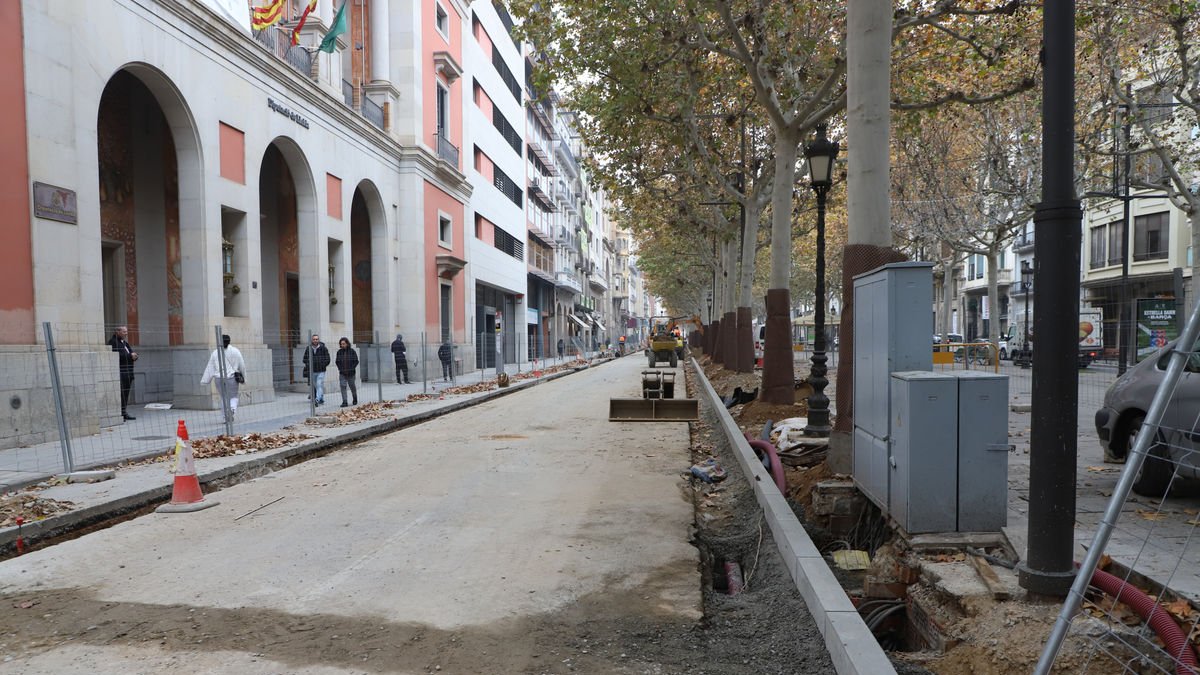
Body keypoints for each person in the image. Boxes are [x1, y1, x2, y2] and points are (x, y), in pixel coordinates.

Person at [200, 334, 246, 421]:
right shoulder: (236, 351)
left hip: (219, 378)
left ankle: (225, 417)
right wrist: (244, 378)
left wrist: (205, 380)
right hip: (232, 378)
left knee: (223, 397)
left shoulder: (215, 353)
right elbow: (242, 365)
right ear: (229, 341)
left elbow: (210, 367)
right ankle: (232, 409)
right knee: (233, 396)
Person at [107, 325, 139, 420]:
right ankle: (120, 413)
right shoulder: (113, 342)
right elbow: (118, 356)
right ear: (118, 332)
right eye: (124, 331)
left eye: (126, 331)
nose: (126, 333)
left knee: (126, 394)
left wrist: (135, 356)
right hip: (121, 372)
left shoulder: (124, 343)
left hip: (128, 373)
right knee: (121, 393)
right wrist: (130, 356)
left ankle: (124, 412)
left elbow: (130, 353)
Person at [302, 334, 331, 405]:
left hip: (321, 371)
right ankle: (321, 398)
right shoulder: (308, 348)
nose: (315, 340)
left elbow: (328, 359)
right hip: (312, 371)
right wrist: (309, 365)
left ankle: (317, 399)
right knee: (317, 386)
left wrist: (322, 365)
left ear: (319, 340)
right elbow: (304, 359)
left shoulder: (323, 348)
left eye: (316, 339)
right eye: (314, 339)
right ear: (312, 340)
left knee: (319, 384)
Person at [335, 337, 359, 407]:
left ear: (347, 344)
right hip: (342, 373)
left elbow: (356, 361)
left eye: (344, 344)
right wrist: (340, 369)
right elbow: (337, 362)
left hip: (351, 373)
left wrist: (351, 368)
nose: (342, 345)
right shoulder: (339, 352)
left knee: (352, 386)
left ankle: (355, 398)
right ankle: (344, 401)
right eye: (341, 344)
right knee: (343, 386)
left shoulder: (352, 351)